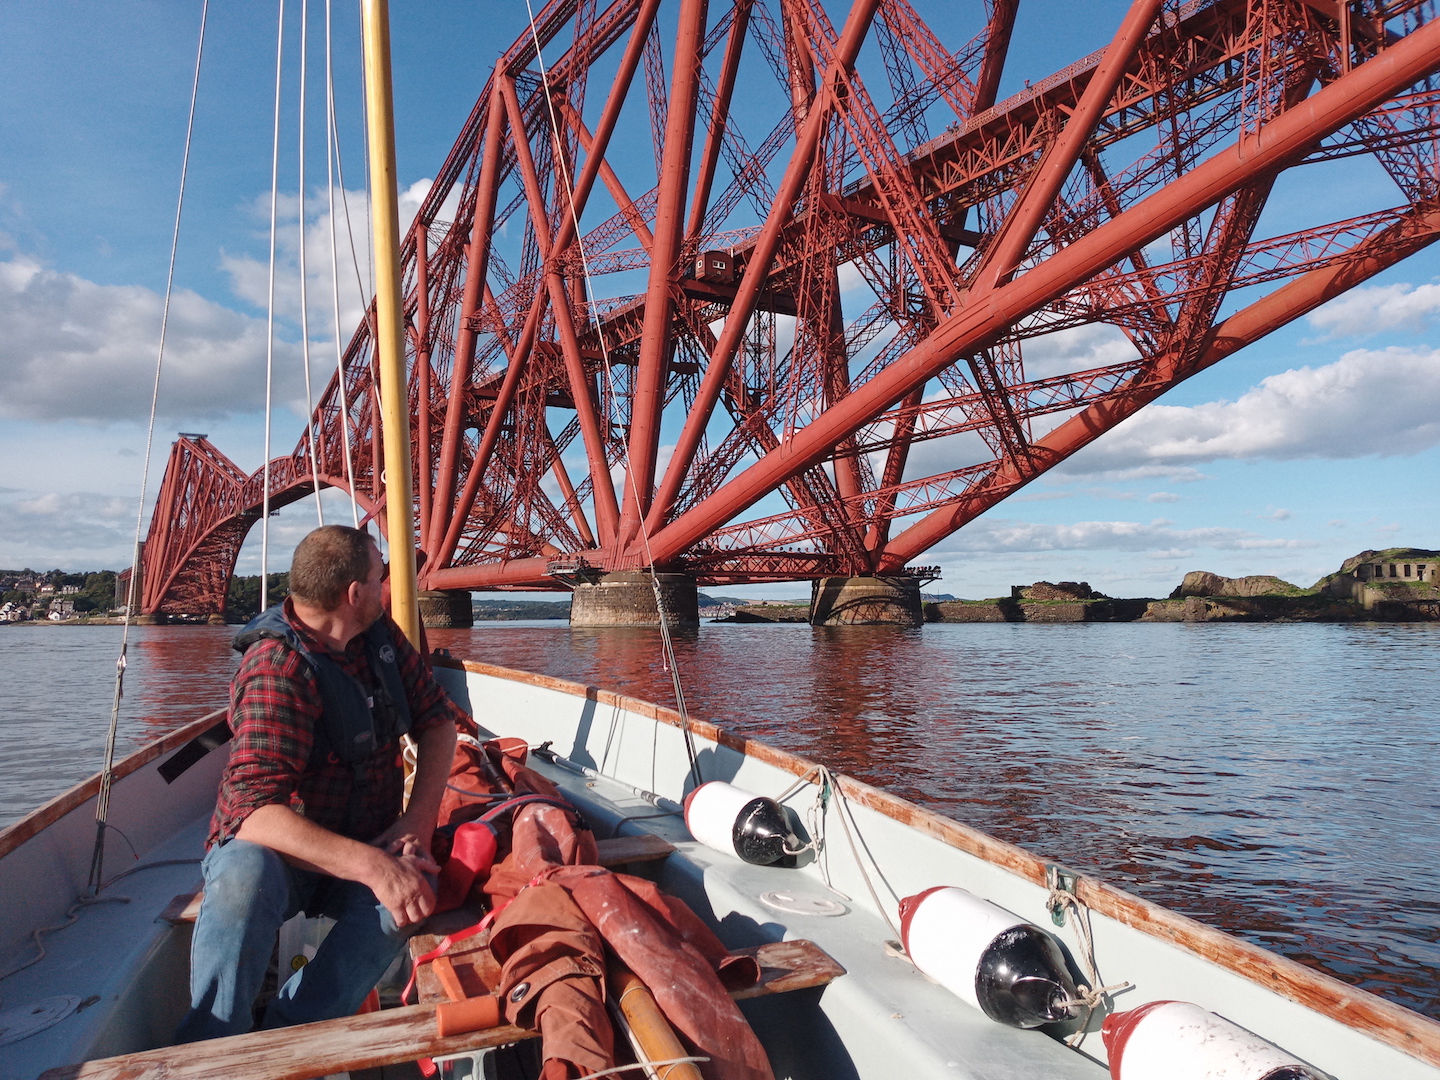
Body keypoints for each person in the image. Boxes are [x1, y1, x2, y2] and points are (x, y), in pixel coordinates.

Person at [175, 525, 461, 1042]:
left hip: (367, 837)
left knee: (411, 894)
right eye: (380, 576)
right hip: (284, 855)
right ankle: (212, 1045)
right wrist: (374, 866)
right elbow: (253, 810)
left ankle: (293, 1035)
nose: (386, 585)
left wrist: (414, 821)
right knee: (243, 875)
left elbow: (439, 722)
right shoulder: (276, 669)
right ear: (355, 593)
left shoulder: (378, 639)